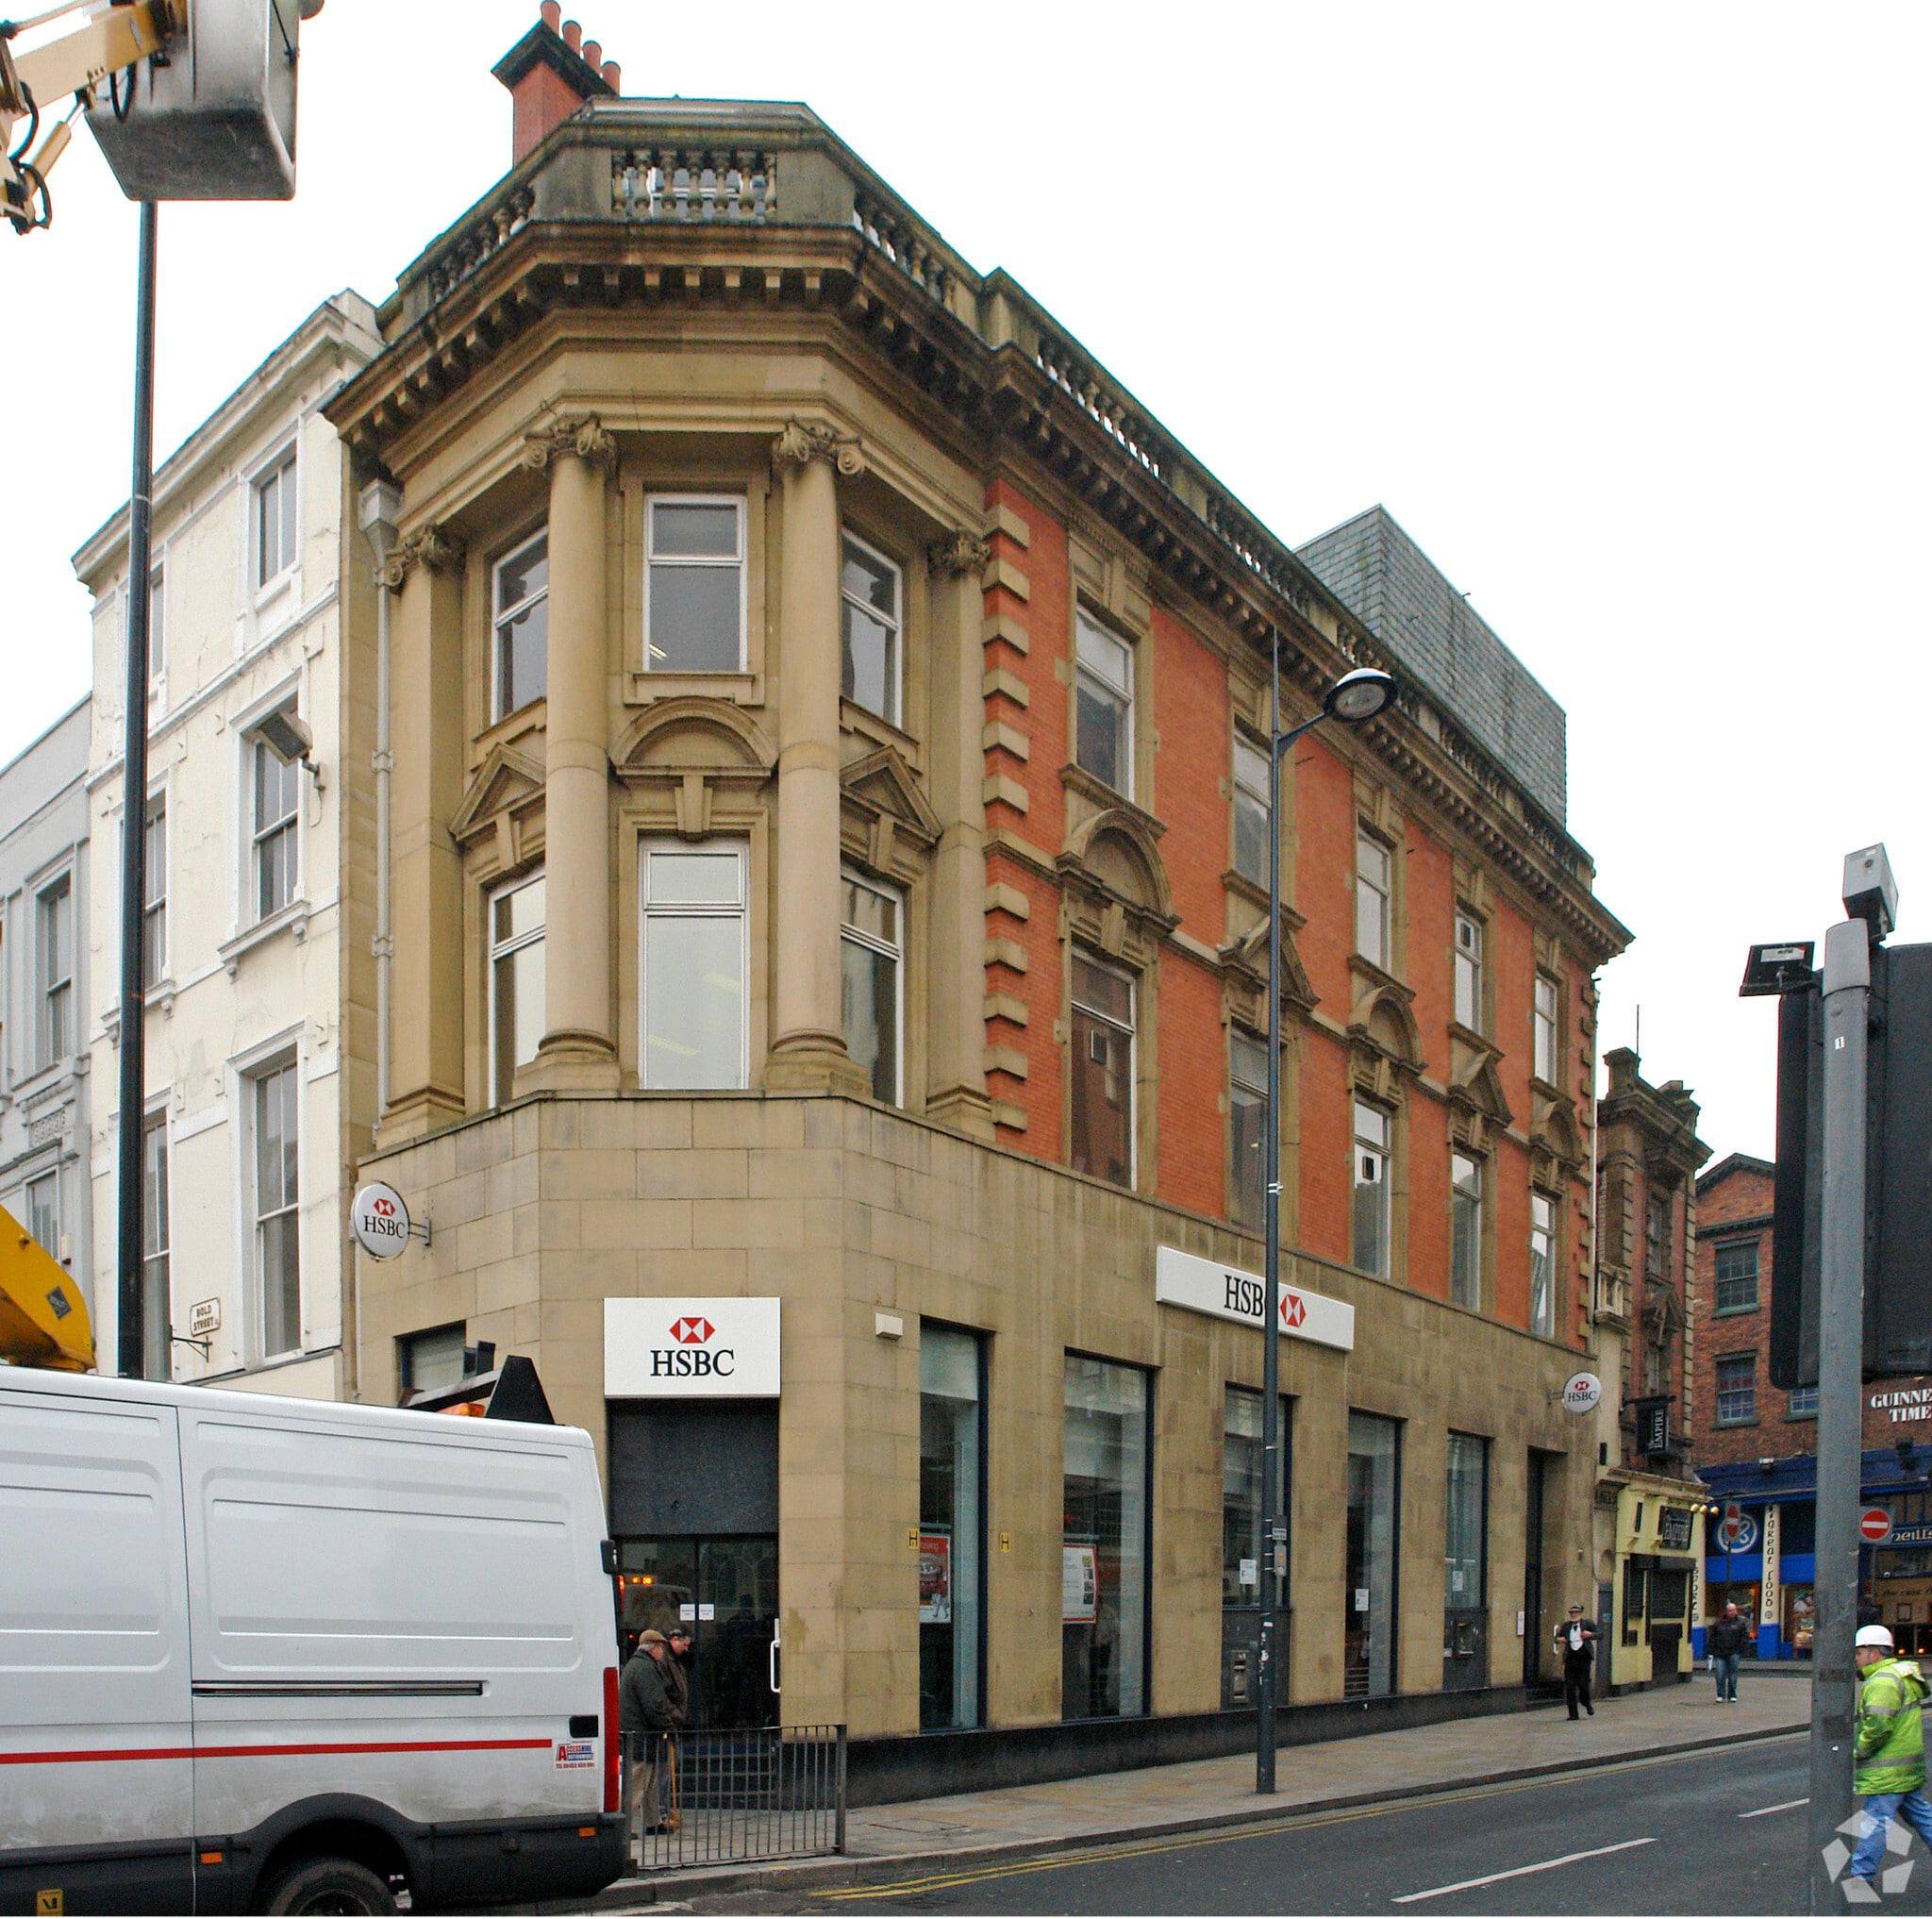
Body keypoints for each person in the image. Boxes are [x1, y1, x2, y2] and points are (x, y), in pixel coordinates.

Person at [1849, 1625, 1932, 1889]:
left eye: (1859, 1652)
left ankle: (1861, 1877)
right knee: (1922, 1816)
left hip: (1888, 1769)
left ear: (1874, 1653)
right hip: (1907, 1765)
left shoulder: (1882, 1681)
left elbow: (1878, 1726)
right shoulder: (1899, 1674)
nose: (1856, 1657)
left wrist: (1859, 1750)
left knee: (1875, 1821)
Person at [619, 1627, 678, 1841]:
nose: (663, 1651)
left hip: (644, 1735)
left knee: (650, 1782)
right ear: (654, 1648)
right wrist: (669, 1728)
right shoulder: (644, 1669)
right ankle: (623, 1825)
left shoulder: (637, 1666)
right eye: (661, 1647)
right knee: (637, 1782)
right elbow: (654, 1705)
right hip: (643, 1735)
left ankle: (653, 1822)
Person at [1554, 1603, 1597, 1719]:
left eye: (1576, 1612)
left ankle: (1586, 1703)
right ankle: (1573, 1714)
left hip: (1583, 1658)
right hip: (1570, 1658)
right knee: (1569, 1687)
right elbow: (1557, 1639)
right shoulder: (1566, 1626)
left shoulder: (1587, 1624)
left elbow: (1600, 1634)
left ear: (1580, 1613)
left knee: (1583, 1685)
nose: (1574, 1614)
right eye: (1572, 1612)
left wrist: (1590, 1634)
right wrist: (1558, 1638)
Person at [1707, 1601, 1750, 1704]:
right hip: (1720, 1653)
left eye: (1734, 1610)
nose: (1732, 1612)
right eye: (1730, 1610)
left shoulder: (1740, 1622)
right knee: (1720, 1674)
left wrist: (1740, 1648)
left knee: (1733, 1675)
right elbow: (1712, 1637)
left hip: (1734, 1652)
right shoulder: (1719, 1623)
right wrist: (1712, 1651)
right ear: (1726, 1611)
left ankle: (1732, 1695)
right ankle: (1720, 1695)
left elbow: (1744, 1637)